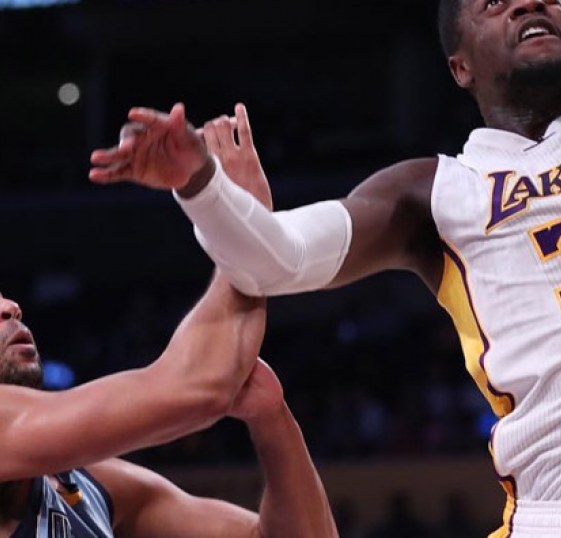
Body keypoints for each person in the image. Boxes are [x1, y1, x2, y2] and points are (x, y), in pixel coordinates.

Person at [90, 0, 561, 536]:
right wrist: (201, 185)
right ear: (460, 67)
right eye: (495, 3)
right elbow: (273, 260)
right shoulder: (429, 192)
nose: (528, 2)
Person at [0, 123, 338, 538]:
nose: (10, 307)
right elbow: (196, 386)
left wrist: (271, 419)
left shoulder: (88, 484)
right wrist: (239, 226)